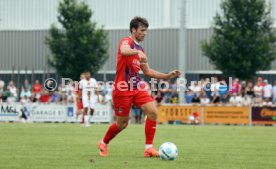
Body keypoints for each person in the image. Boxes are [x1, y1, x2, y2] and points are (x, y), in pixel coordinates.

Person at [97, 16, 180, 158]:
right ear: (134, 30)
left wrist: (167, 76)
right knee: (122, 124)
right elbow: (124, 50)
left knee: (153, 112)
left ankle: (148, 148)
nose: (145, 33)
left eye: (146, 30)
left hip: (136, 87)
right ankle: (103, 143)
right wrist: (137, 52)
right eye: (142, 30)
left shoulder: (140, 49)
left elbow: (147, 72)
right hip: (122, 89)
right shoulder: (127, 41)